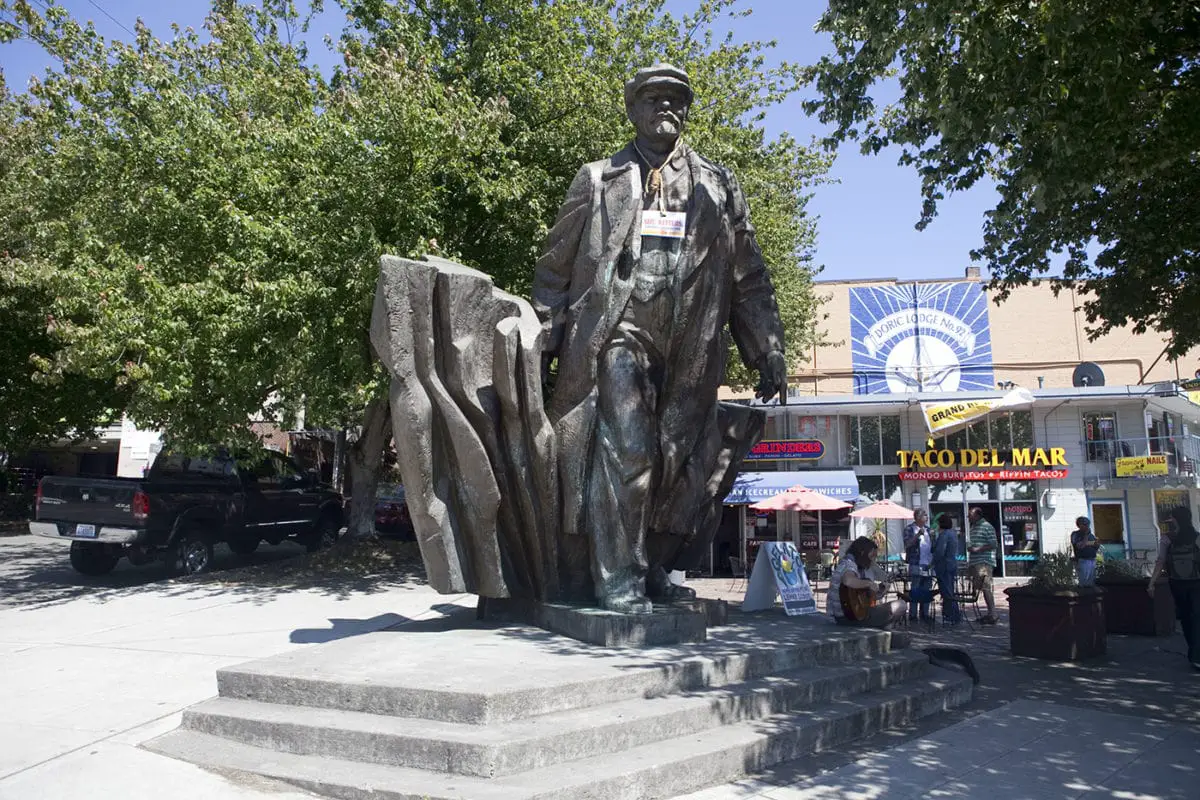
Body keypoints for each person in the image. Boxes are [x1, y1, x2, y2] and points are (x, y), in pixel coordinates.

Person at [533, 64, 787, 613]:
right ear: (633, 109)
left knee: (675, 459)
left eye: (676, 98)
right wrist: (545, 335)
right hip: (619, 331)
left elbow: (749, 275)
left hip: (692, 343)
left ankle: (648, 568)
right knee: (629, 451)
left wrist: (765, 344)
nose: (666, 106)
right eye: (654, 98)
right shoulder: (598, 179)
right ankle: (616, 577)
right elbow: (555, 266)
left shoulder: (718, 186)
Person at [1148, 506, 1200, 671]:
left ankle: (1194, 653)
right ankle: (1197, 654)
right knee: (1197, 617)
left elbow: (1160, 561)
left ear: (1175, 519)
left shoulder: (1167, 538)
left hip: (1176, 582)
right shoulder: (1197, 537)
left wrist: (1152, 583)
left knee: (1185, 618)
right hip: (1196, 581)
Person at [827, 536, 906, 629]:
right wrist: (869, 583)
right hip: (845, 618)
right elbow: (848, 580)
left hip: (854, 615)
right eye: (872, 556)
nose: (872, 560)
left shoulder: (860, 568)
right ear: (862, 552)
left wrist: (882, 591)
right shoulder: (848, 564)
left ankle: (884, 635)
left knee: (888, 623)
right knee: (901, 605)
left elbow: (867, 599)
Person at [967, 507, 999, 624]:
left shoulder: (987, 526)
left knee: (986, 588)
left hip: (984, 562)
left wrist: (978, 549)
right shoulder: (973, 527)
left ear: (977, 515)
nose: (968, 517)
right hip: (975, 562)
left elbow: (994, 544)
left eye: (970, 515)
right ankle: (989, 613)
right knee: (980, 588)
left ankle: (993, 614)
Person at [903, 508, 934, 621]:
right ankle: (913, 614)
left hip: (928, 563)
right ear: (918, 517)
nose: (926, 518)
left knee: (926, 589)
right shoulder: (909, 529)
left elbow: (933, 546)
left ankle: (924, 613)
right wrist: (917, 536)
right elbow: (907, 544)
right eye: (924, 515)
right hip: (916, 563)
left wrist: (933, 537)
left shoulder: (928, 530)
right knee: (915, 589)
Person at [932, 514, 961, 625]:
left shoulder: (944, 535)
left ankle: (951, 615)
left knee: (947, 591)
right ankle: (952, 614)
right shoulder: (953, 534)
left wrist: (933, 562)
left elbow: (939, 551)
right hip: (952, 565)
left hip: (944, 566)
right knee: (950, 590)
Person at [1070, 516, 1100, 587]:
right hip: (1082, 560)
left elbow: (1096, 545)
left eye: (1088, 524)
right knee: (1083, 582)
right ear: (1079, 525)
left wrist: (1095, 543)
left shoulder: (1091, 535)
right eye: (1084, 524)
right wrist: (1086, 537)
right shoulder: (1075, 534)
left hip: (1092, 559)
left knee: (1091, 582)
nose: (1087, 526)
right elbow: (1080, 546)